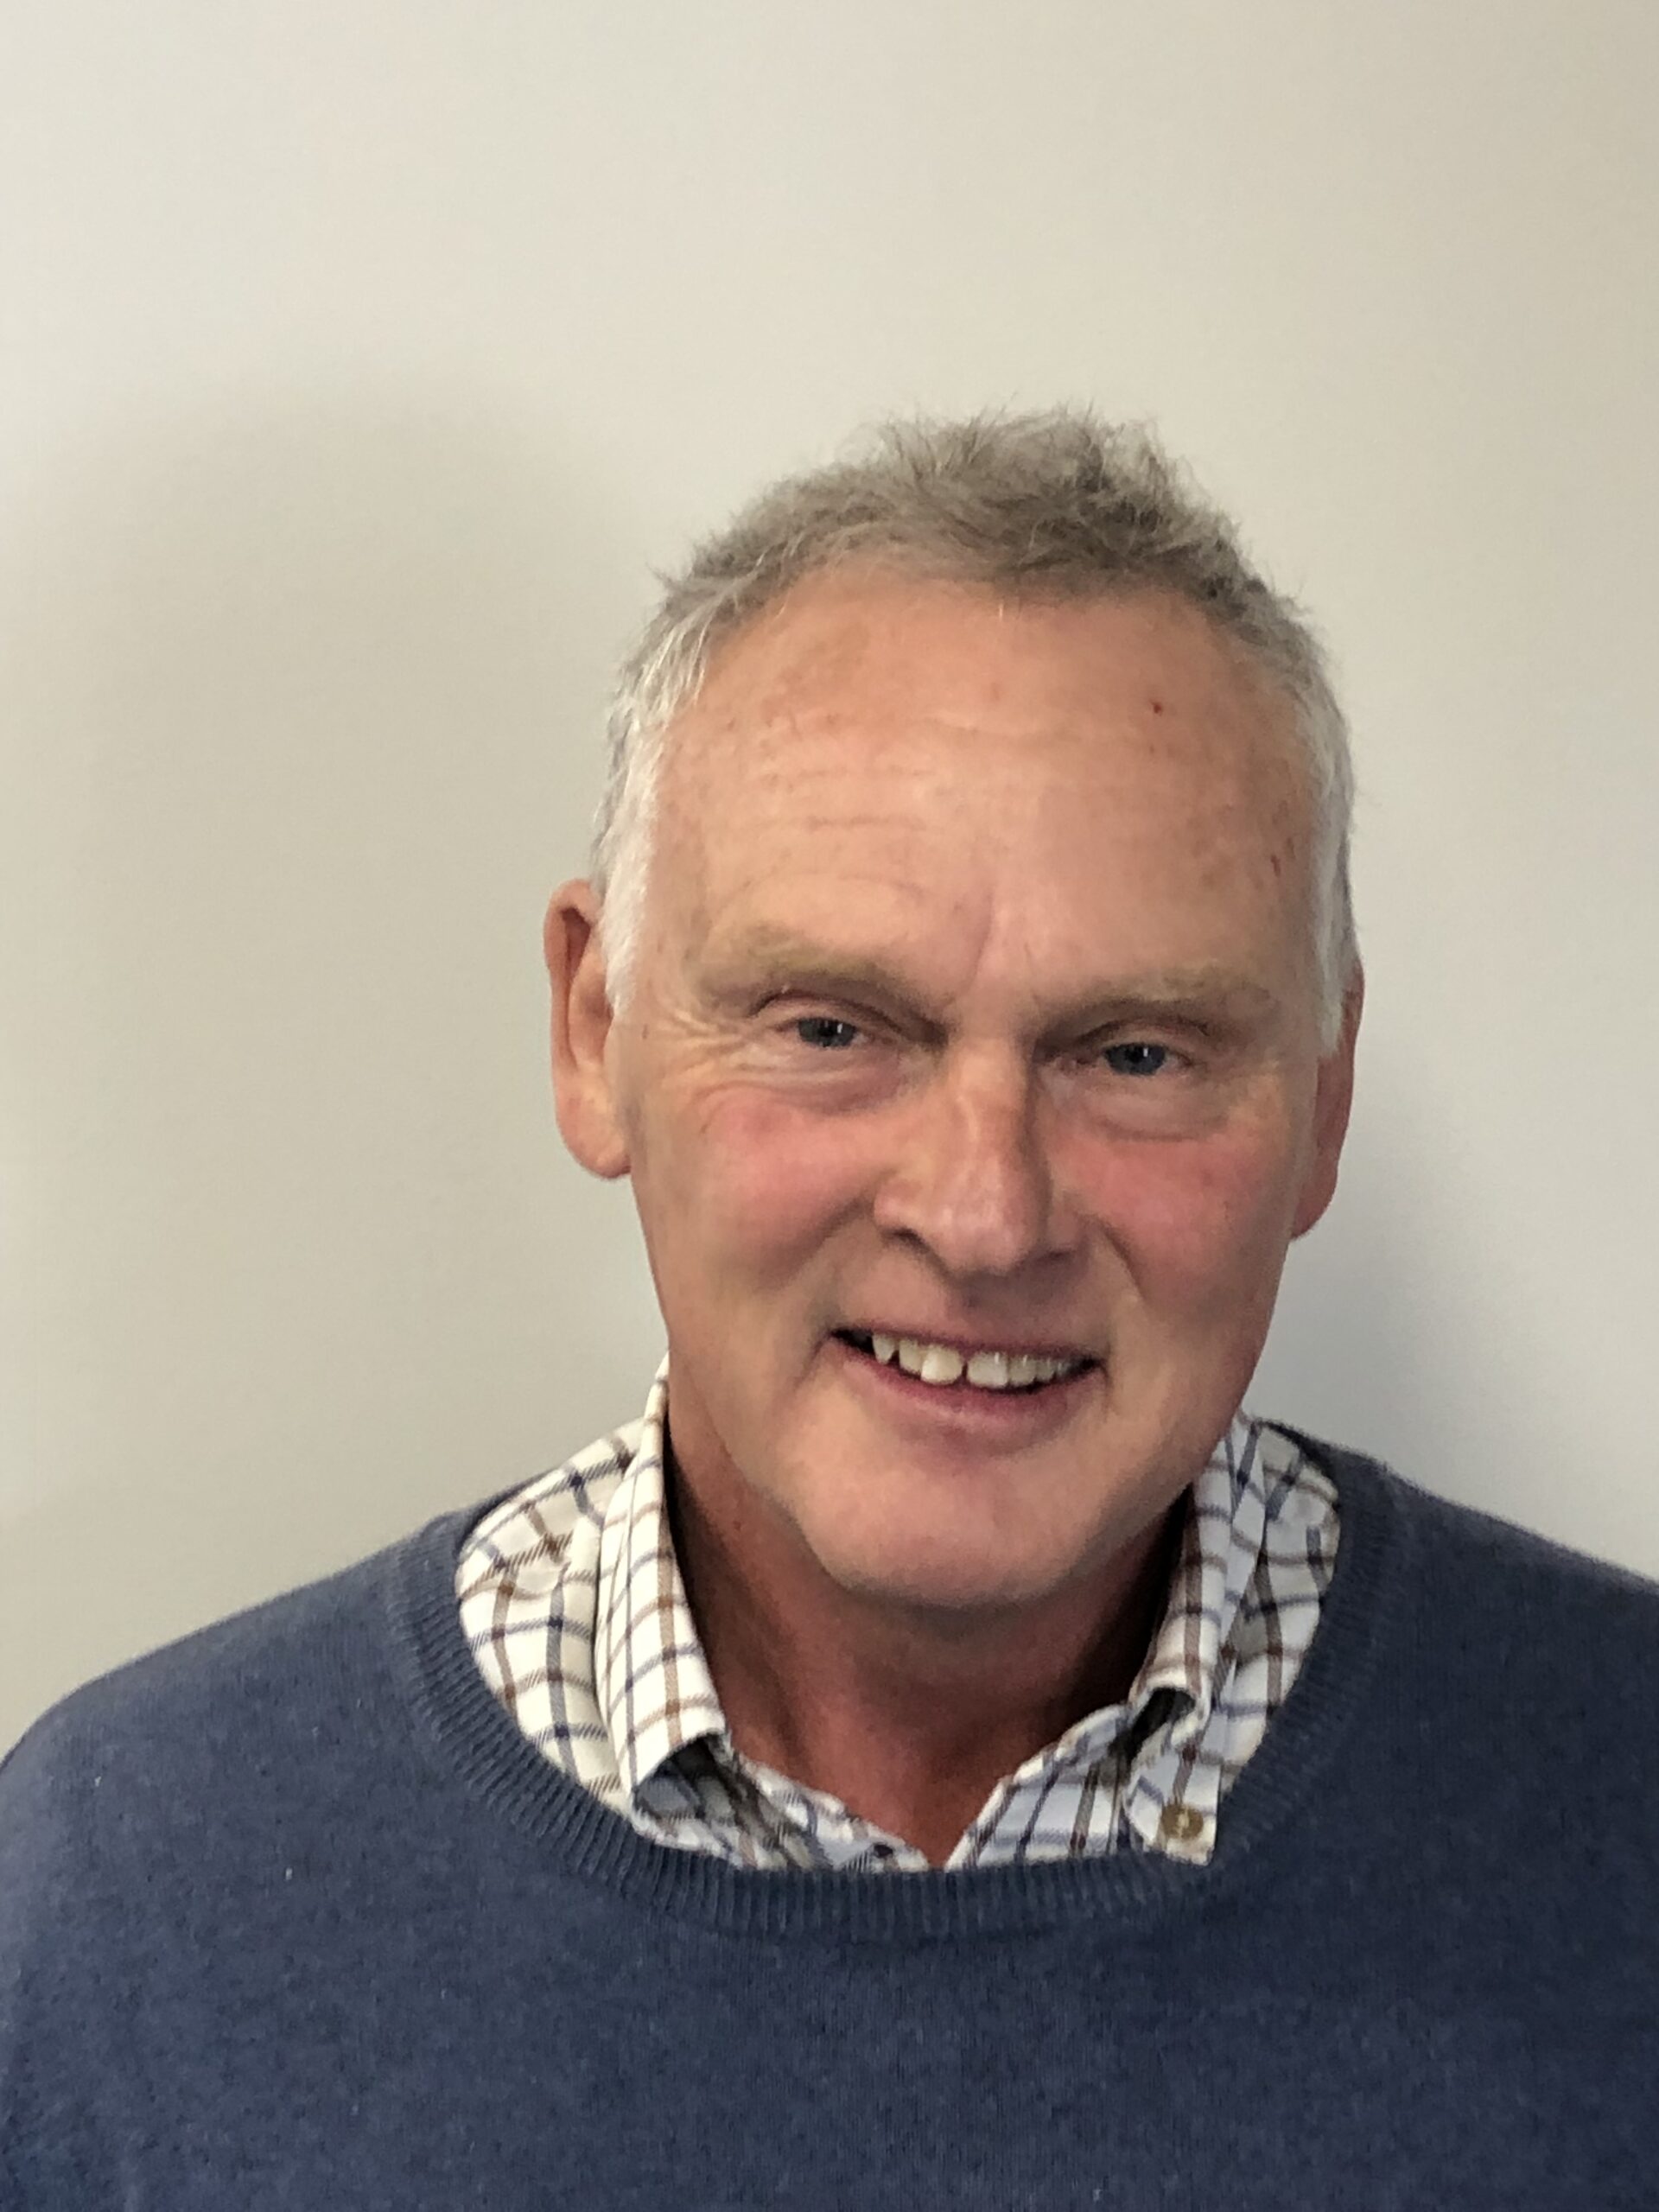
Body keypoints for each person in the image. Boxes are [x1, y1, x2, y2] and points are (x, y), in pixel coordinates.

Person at [2, 412, 1655, 2209]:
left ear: (1322, 1102)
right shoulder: (118, 1900)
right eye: (832, 1027)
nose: (985, 1213)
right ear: (595, 1035)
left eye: (1137, 1052)